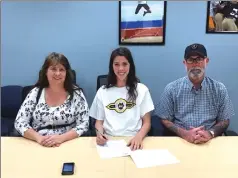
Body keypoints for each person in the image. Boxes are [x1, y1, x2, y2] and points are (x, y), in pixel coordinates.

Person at [156, 43, 234, 144]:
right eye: (190, 60)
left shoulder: (219, 89)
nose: (195, 64)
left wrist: (210, 133)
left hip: (210, 141)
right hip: (181, 140)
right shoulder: (171, 89)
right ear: (184, 63)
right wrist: (184, 133)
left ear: (206, 61)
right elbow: (164, 119)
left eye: (199, 59)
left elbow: (225, 120)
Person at [14, 52, 89, 147]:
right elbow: (20, 122)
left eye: (62, 70)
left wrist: (61, 138)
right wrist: (39, 138)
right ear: (46, 72)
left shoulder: (76, 93)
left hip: (68, 143)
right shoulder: (35, 93)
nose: (58, 73)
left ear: (66, 73)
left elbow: (84, 124)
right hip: (39, 143)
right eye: (53, 69)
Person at [89, 47, 154, 150]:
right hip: (109, 141)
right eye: (116, 64)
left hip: (134, 140)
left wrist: (139, 137)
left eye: (124, 64)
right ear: (112, 66)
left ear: (130, 66)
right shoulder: (102, 91)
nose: (120, 69)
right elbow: (99, 122)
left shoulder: (141, 90)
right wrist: (100, 134)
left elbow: (147, 123)